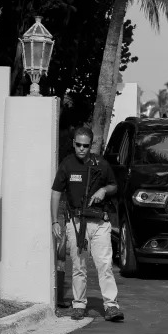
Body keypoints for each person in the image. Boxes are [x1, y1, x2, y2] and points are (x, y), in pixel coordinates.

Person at [51, 127, 124, 322]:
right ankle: (79, 305)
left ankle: (111, 306)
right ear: (73, 143)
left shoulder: (101, 163)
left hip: (100, 222)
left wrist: (103, 190)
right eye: (78, 145)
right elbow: (56, 192)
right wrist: (54, 221)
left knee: (105, 265)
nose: (81, 149)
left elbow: (114, 185)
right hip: (76, 222)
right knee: (78, 266)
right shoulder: (67, 164)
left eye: (86, 145)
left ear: (91, 145)